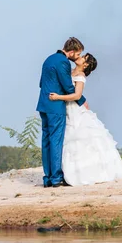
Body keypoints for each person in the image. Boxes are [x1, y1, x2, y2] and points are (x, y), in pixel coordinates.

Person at [49, 53, 122, 185]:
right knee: (67, 139)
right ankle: (67, 173)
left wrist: (58, 97)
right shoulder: (70, 71)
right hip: (66, 109)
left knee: (80, 139)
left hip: (74, 109)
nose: (79, 58)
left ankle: (85, 173)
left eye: (83, 58)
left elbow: (76, 95)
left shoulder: (80, 77)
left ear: (85, 65)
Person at [36, 37, 88, 188]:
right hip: (56, 107)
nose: (77, 57)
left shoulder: (49, 59)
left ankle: (47, 178)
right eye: (77, 54)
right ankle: (56, 178)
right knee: (56, 141)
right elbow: (68, 87)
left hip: (43, 105)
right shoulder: (63, 62)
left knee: (45, 141)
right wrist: (82, 101)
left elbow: (41, 83)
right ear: (71, 52)